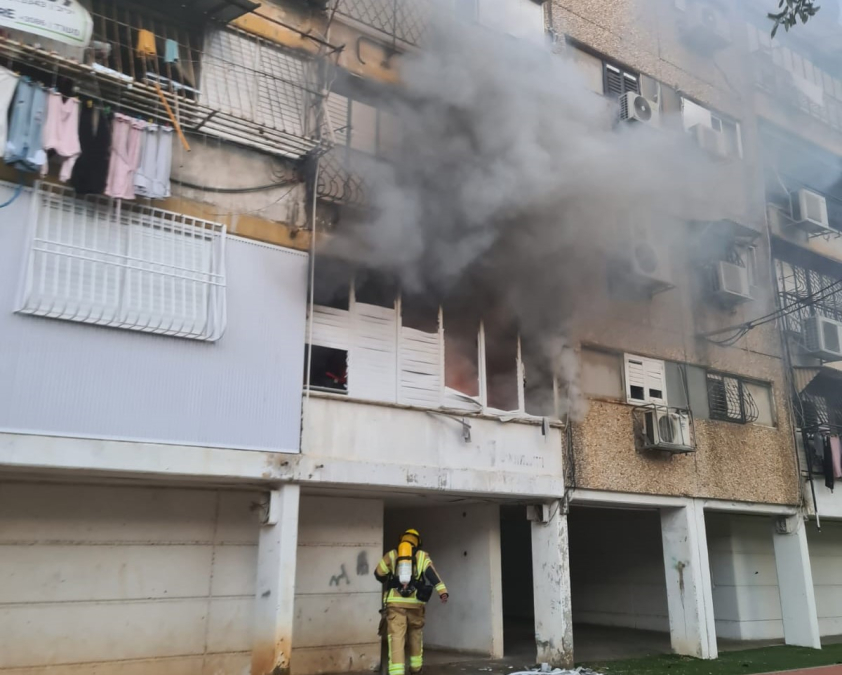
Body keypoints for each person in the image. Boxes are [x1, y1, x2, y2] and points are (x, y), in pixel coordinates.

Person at [374, 529, 449, 675]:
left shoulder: (392, 554)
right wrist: (442, 591)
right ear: (418, 541)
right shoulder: (422, 556)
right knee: (415, 635)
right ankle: (416, 669)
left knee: (396, 638)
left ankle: (396, 672)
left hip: (395, 605)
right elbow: (432, 575)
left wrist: (389, 577)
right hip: (415, 604)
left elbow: (378, 573)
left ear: (402, 539)